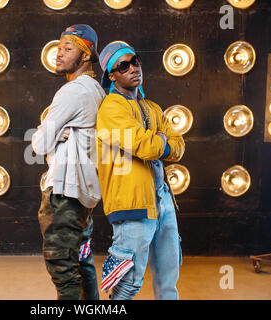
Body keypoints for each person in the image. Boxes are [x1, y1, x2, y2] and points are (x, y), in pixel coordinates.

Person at [95, 42, 185, 300]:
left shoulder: (153, 108)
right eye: (124, 65)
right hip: (132, 202)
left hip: (163, 198)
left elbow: (179, 146)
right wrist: (161, 141)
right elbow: (144, 145)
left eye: (135, 61)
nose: (133, 68)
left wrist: (161, 143)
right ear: (112, 75)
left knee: (168, 279)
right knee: (128, 284)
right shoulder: (112, 108)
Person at [31, 24, 106, 300]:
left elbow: (38, 144)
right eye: (59, 47)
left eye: (68, 48)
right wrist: (53, 133)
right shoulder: (97, 90)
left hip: (64, 192)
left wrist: (47, 131)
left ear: (86, 56)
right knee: (82, 261)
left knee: (62, 266)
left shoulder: (71, 92)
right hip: (83, 193)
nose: (59, 53)